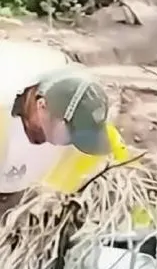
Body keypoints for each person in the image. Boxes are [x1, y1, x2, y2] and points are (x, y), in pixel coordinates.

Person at [0, 41, 126, 198]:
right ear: (41, 105)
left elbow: (119, 155)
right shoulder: (5, 102)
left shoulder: (73, 95)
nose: (57, 143)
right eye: (63, 136)